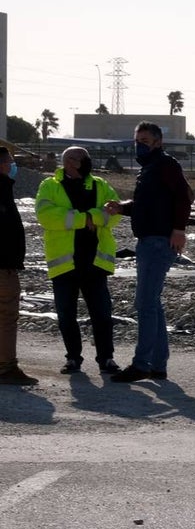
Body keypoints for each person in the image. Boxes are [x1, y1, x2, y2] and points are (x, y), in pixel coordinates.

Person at [104, 122, 193, 383]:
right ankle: (157, 364)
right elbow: (148, 205)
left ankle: (142, 364)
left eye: (144, 140)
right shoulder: (150, 169)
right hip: (148, 240)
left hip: (158, 241)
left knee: (144, 304)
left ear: (158, 142)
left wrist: (179, 229)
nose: (139, 144)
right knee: (152, 303)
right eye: (137, 140)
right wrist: (122, 207)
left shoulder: (166, 165)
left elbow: (184, 196)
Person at [35, 145, 123, 374]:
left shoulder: (100, 185)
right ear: (68, 162)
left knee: (102, 315)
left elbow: (114, 212)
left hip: (95, 262)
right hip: (65, 263)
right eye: (79, 158)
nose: (85, 161)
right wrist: (84, 220)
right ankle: (73, 358)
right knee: (66, 315)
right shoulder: (49, 186)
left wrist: (95, 216)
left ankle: (106, 359)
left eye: (86, 158)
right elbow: (46, 216)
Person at [0, 147, 37, 386]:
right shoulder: (1, 190)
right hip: (3, 267)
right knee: (6, 316)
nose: (14, 166)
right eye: (11, 162)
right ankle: (5, 367)